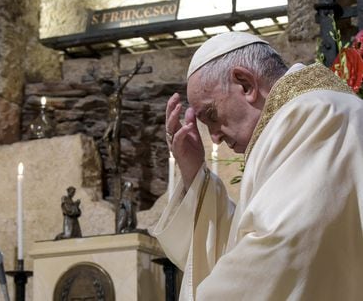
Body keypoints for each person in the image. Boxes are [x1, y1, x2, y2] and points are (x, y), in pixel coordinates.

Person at [151, 32, 363, 300]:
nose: (214, 136)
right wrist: (194, 174)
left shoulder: (316, 115)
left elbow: (284, 248)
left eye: (211, 116)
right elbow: (247, 238)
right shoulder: (303, 116)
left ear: (246, 84)